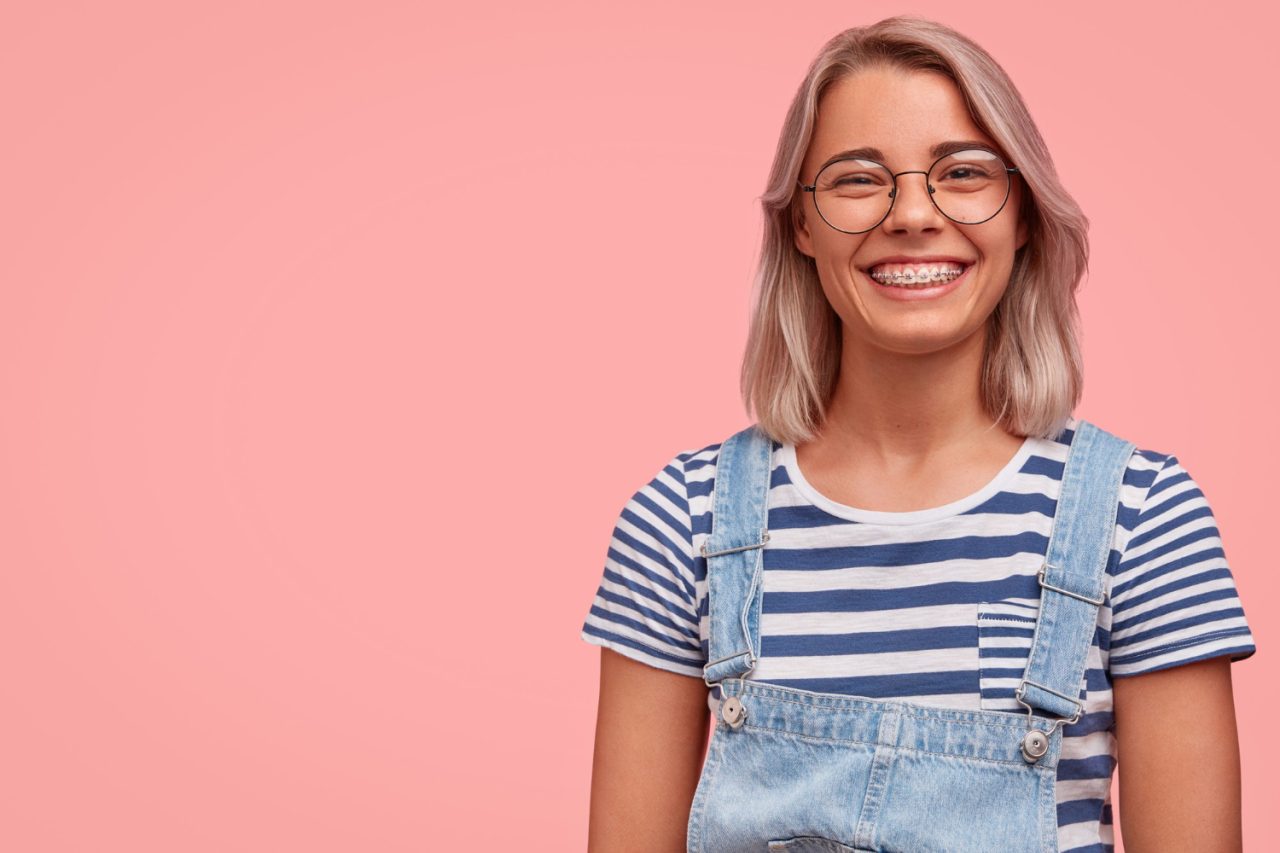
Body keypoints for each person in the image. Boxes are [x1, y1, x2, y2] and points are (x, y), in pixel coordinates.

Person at [580, 15, 1256, 853]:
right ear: (802, 221)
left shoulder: (1142, 516)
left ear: (1024, 215)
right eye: (859, 179)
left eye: (962, 173)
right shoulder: (680, 522)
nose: (911, 215)